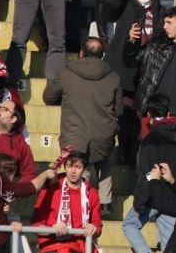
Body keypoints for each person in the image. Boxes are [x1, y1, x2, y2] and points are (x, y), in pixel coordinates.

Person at [43, 37, 122, 217]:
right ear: (102, 55)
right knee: (104, 159)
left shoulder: (66, 73)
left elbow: (48, 97)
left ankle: (82, 202)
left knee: (77, 164)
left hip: (74, 135)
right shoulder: (114, 77)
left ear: (81, 53)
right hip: (103, 134)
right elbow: (118, 110)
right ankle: (105, 203)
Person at [29, 151, 103, 253]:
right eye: (70, 166)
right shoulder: (52, 187)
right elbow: (36, 223)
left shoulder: (91, 193)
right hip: (52, 252)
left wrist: (92, 228)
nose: (73, 171)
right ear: (65, 166)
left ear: (84, 169)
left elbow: (98, 226)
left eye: (78, 167)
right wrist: (51, 227)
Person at [126, 6, 176, 136]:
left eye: (169, 22)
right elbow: (131, 61)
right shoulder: (156, 44)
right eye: (165, 22)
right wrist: (131, 41)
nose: (164, 26)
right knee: (150, 153)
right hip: (153, 111)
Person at [122, 94, 176, 253]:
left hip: (154, 196)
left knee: (129, 224)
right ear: (169, 113)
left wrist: (139, 203)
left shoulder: (152, 139)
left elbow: (146, 174)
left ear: (149, 114)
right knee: (168, 247)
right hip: (174, 196)